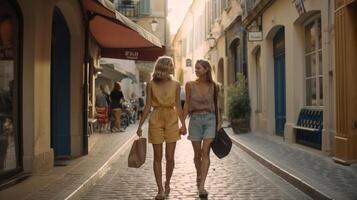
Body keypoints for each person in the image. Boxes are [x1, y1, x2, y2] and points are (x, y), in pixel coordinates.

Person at [136, 56, 187, 200]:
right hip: (156, 119)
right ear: (164, 67)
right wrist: (140, 125)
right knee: (157, 157)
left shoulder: (176, 84)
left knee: (170, 157)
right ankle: (160, 189)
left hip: (171, 119)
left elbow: (178, 105)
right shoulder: (150, 84)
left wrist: (183, 124)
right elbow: (147, 106)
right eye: (171, 65)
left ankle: (168, 182)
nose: (173, 67)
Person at [183, 59, 222, 198]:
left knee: (205, 152)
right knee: (197, 154)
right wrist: (182, 123)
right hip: (195, 120)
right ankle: (198, 173)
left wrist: (219, 122)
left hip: (210, 120)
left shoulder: (214, 86)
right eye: (195, 68)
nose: (196, 70)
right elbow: (187, 104)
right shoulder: (190, 85)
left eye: (198, 68)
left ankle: (202, 186)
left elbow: (216, 105)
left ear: (206, 69)